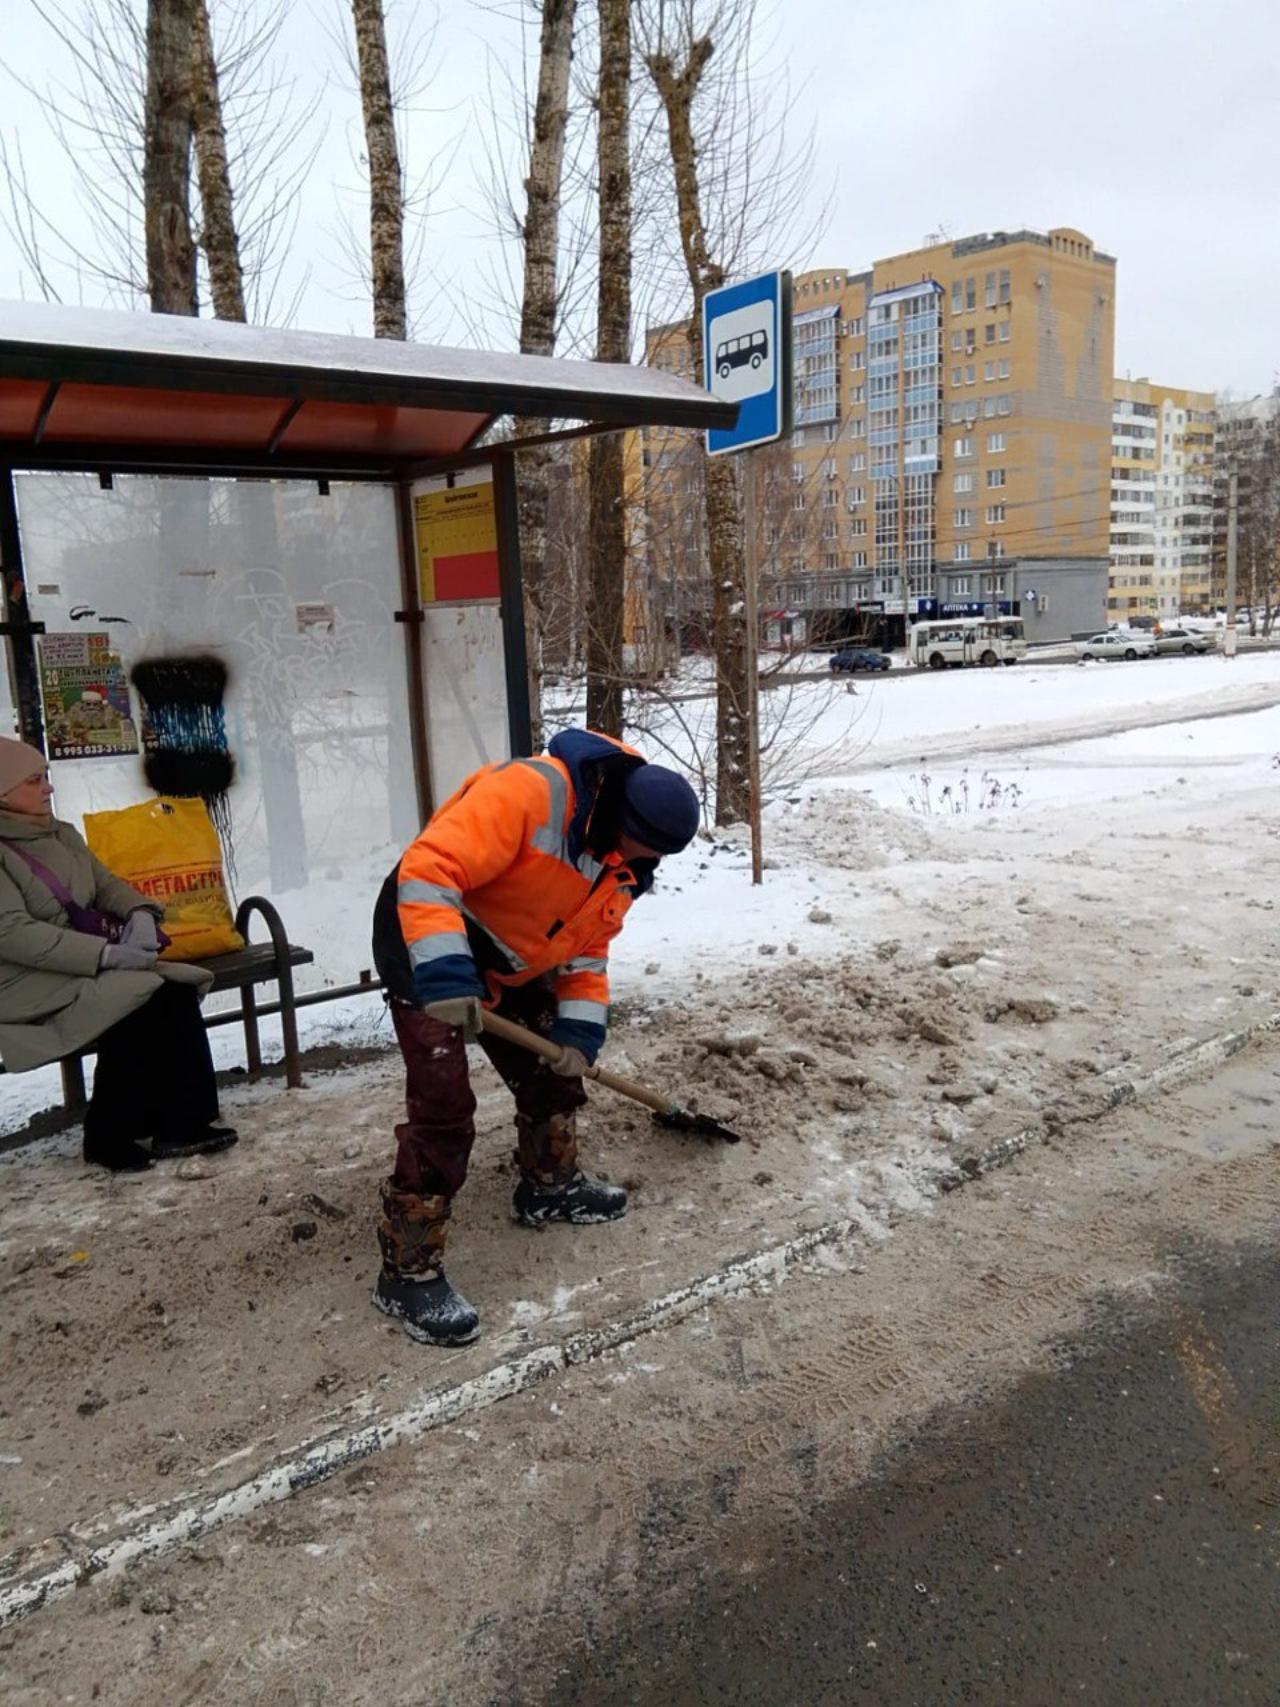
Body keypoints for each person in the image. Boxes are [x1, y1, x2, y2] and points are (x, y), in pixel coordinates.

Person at [371, 728, 701, 1347]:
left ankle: (549, 1185)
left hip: (510, 954)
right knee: (444, 1107)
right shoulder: (531, 792)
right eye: (638, 846)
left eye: (651, 856)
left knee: (553, 1068)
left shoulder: (623, 865)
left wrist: (579, 1030)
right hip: (425, 935)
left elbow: (587, 951)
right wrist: (444, 972)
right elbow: (428, 869)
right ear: (619, 814)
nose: (639, 863)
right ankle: (407, 1269)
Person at [0, 738, 237, 1171]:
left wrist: (140, 913)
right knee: (136, 999)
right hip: (24, 981)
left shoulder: (60, 834)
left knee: (173, 988)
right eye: (34, 781)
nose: (47, 789)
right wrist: (105, 956)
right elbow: (13, 934)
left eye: (46, 778)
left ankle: (182, 1121)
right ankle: (108, 1134)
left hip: (79, 961)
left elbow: (106, 884)